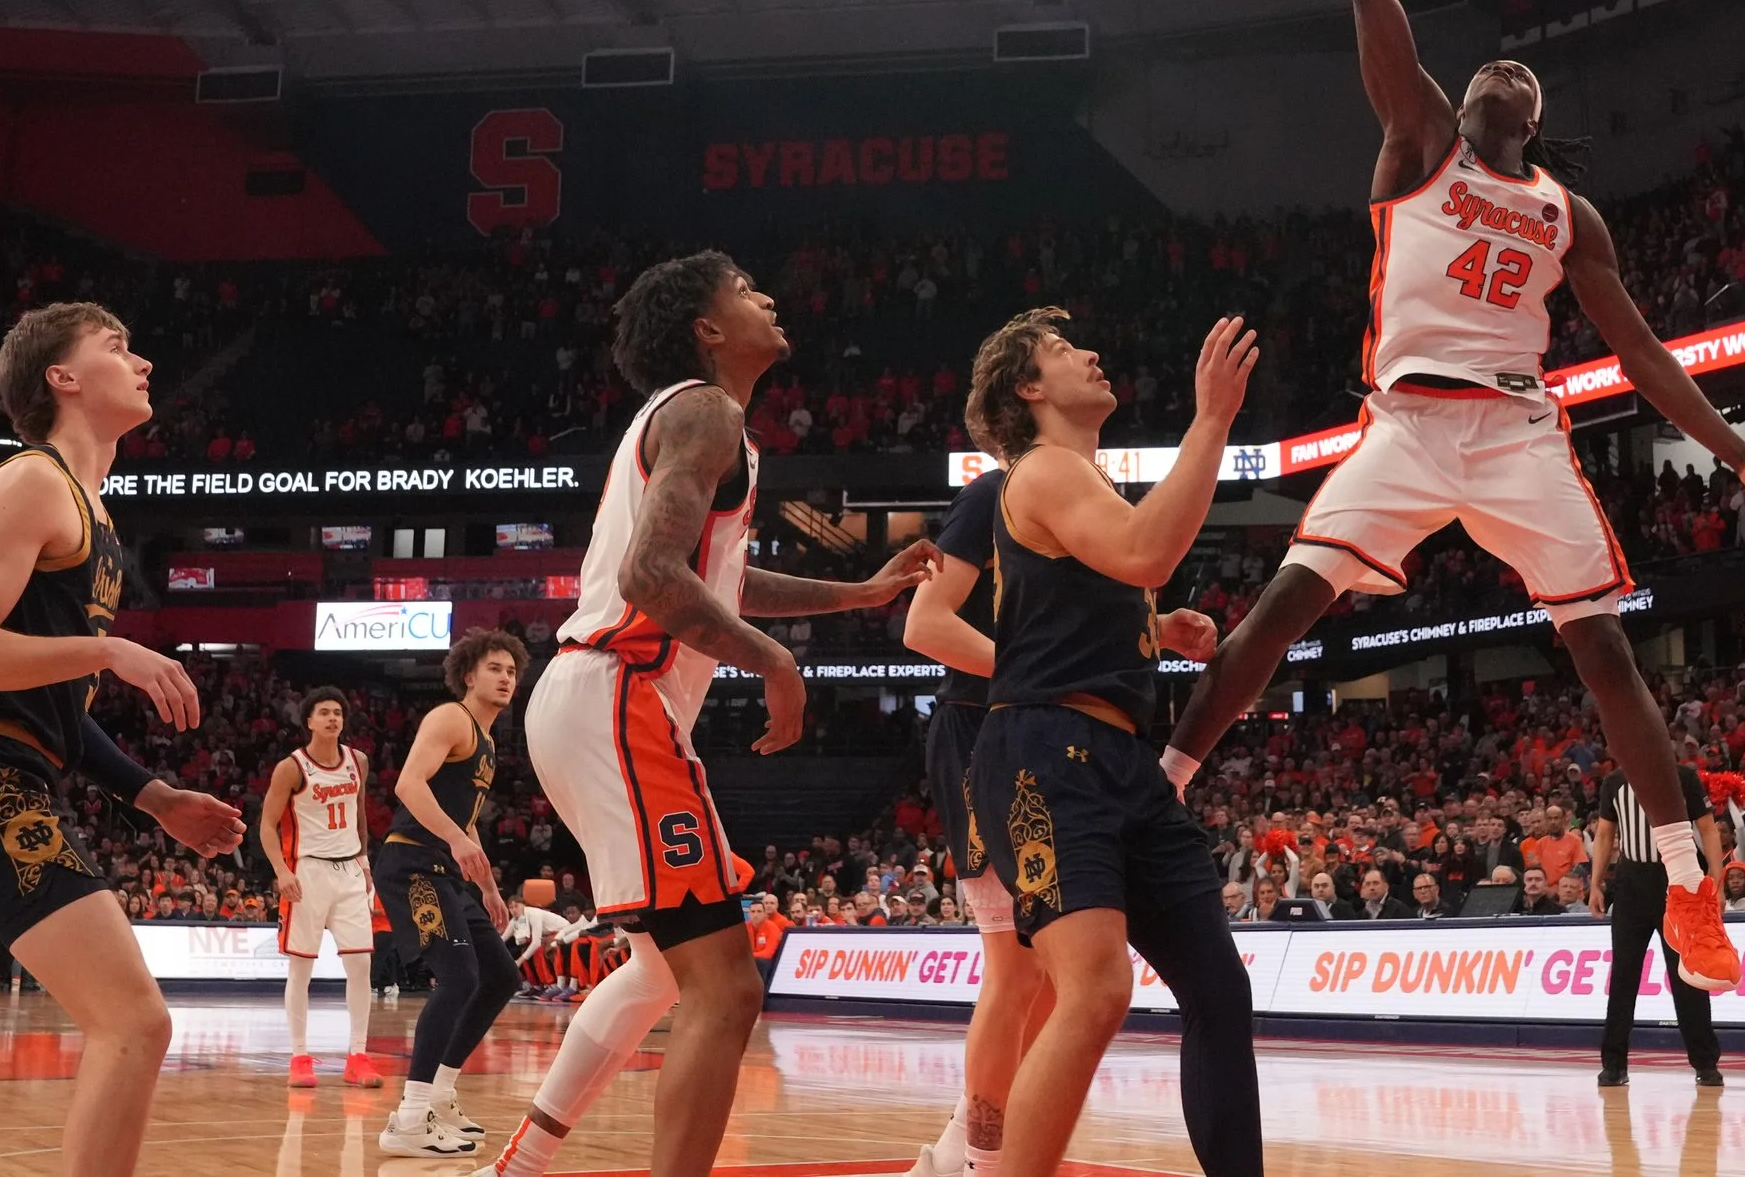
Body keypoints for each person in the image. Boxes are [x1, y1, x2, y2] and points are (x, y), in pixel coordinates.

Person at [1159, 0, 1745, 995]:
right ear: (1464, 100)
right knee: (1284, 603)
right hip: (1408, 423)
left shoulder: (1571, 214)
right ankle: (1158, 792)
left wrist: (1734, 451)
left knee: (1603, 647)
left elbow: (1643, 354)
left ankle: (1686, 883)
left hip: (1518, 429)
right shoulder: (1419, 141)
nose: (1506, 67)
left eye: (1523, 73)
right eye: (1490, 67)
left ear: (1532, 117)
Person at [496, 254, 937, 1177]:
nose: (768, 297)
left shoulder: (700, 424)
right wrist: (774, 661)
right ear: (705, 328)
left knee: (665, 970)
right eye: (745, 291)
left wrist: (857, 591)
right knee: (727, 988)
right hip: (621, 691)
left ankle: (523, 1162)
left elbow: (724, 579)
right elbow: (650, 577)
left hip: (591, 698)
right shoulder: (706, 410)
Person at [0, 303, 243, 1177]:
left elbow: (57, 702)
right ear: (60, 378)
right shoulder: (30, 481)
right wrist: (109, 646)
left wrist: (154, 795)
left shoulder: (94, 512)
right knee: (135, 1021)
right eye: (118, 346)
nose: (142, 362)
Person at [965, 308, 1262, 1177]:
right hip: (1044, 753)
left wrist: (1152, 627)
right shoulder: (1045, 466)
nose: (1092, 352)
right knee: (1094, 990)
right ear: (1029, 389)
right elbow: (1147, 548)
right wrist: (1211, 420)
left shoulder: (1078, 483)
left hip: (1121, 759)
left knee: (1218, 987)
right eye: (1063, 350)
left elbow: (1100, 580)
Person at [898, 465, 1054, 1177]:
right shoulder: (996, 490)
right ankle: (981, 1161)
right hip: (983, 729)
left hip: (1053, 732)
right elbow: (924, 624)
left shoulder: (1089, 496)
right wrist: (1039, 680)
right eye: (1061, 344)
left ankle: (964, 1146)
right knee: (1019, 969)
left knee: (1063, 975)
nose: (1089, 356)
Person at [373, 630, 527, 1158]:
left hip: (448, 872)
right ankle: (409, 1121)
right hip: (412, 863)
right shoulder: (449, 718)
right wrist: (458, 840)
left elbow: (465, 819)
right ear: (469, 675)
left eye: (511, 671)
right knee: (459, 977)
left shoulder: (487, 741)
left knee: (502, 976)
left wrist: (487, 885)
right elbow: (409, 785)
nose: (506, 678)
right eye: (495, 669)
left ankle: (439, 1095)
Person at [259, 685, 379, 1089]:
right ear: (308, 720)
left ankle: (358, 1055)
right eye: (324, 712)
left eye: (338, 713)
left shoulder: (357, 761)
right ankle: (299, 1056)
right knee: (302, 967)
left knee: (361, 964)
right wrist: (281, 870)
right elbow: (267, 825)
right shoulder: (291, 767)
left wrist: (365, 861)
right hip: (307, 872)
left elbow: (360, 816)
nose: (332, 719)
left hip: (350, 870)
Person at [1588, 757, 1725, 1088]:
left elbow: (1707, 827)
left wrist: (1716, 880)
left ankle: (1705, 1063)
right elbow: (1605, 834)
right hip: (1631, 886)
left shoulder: (1683, 777)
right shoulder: (1614, 782)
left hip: (1677, 883)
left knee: (1688, 976)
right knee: (1623, 977)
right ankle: (1614, 1064)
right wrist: (1595, 883)